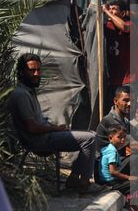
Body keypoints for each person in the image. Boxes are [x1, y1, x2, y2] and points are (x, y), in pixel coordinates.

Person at [8, 53, 109, 195]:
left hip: (45, 135)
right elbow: (31, 127)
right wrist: (56, 129)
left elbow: (38, 121)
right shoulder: (22, 95)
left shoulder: (28, 91)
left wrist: (55, 128)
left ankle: (74, 178)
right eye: (32, 70)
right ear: (21, 72)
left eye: (38, 70)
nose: (37, 74)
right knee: (90, 138)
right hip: (39, 141)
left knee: (92, 135)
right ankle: (85, 183)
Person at [102, 0, 138, 111]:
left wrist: (106, 11)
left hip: (128, 80)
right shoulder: (108, 26)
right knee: (112, 110)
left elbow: (123, 27)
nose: (111, 11)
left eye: (114, 9)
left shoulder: (129, 25)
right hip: (113, 79)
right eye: (110, 9)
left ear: (123, 13)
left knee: (127, 110)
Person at [98, 124, 138, 208]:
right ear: (110, 138)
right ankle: (129, 204)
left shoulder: (108, 148)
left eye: (124, 137)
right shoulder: (112, 152)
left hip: (103, 179)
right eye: (119, 137)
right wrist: (128, 177)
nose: (123, 140)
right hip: (109, 182)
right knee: (134, 183)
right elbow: (113, 172)